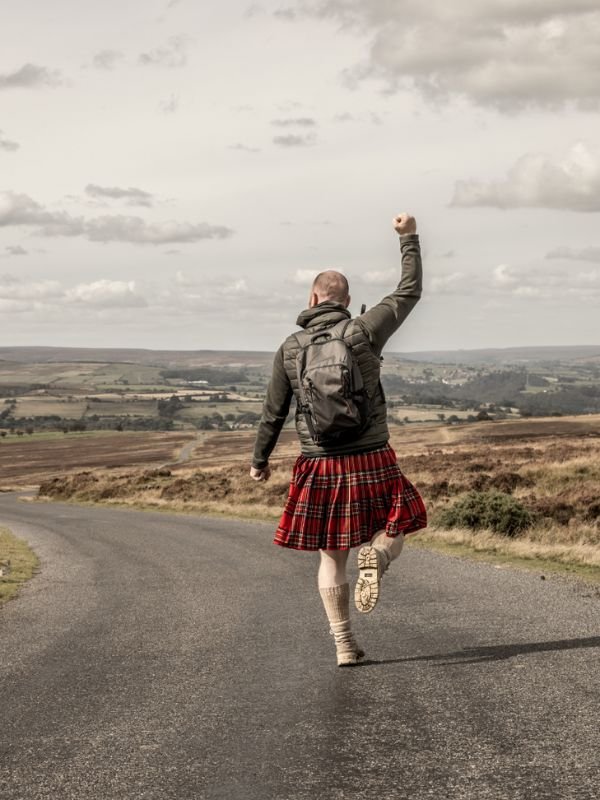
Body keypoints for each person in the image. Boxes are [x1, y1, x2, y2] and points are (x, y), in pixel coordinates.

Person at [250, 213, 427, 666]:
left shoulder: (290, 347)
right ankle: (381, 560)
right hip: (371, 454)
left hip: (320, 463)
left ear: (311, 297)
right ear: (347, 300)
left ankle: (344, 645)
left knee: (332, 558)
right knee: (398, 524)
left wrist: (259, 461)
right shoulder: (365, 329)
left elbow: (273, 411)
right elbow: (409, 291)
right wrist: (407, 238)